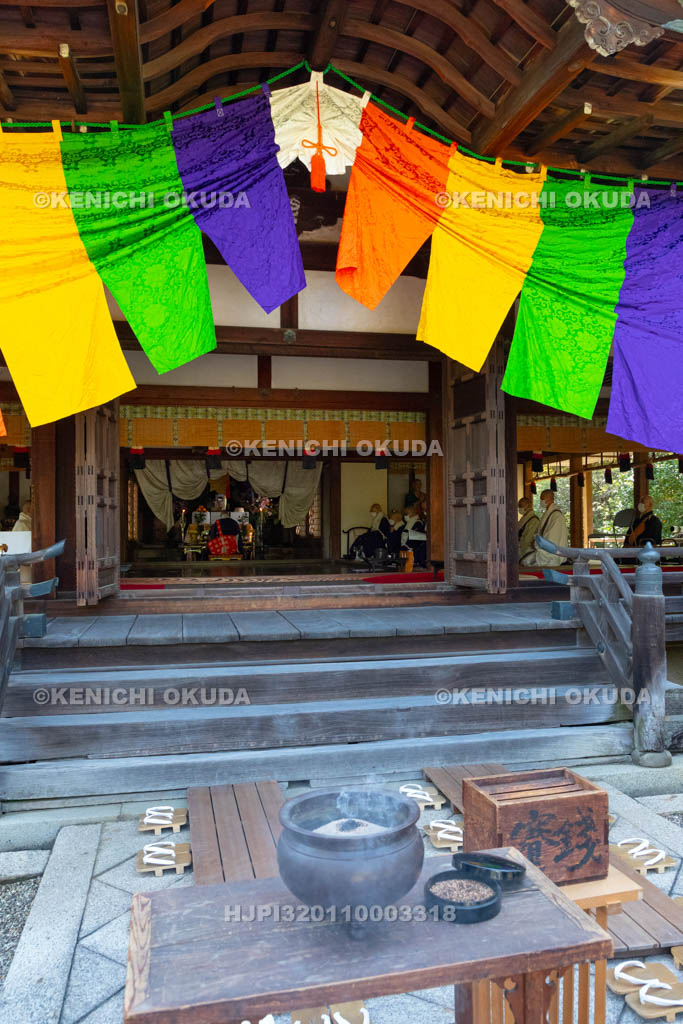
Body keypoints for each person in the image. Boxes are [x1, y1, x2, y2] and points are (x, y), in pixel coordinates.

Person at [520, 490, 568, 567]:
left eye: (541, 499)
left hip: (551, 555)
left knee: (527, 561)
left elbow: (552, 539)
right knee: (525, 561)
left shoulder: (556, 516)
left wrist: (536, 544)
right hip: (542, 550)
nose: (540, 501)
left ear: (547, 499)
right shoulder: (548, 514)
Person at [401, 503, 427, 568]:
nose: (405, 516)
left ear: (412, 513)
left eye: (406, 514)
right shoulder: (409, 523)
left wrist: (408, 546)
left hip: (413, 549)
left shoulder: (418, 522)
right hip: (406, 547)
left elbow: (417, 536)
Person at [517, 496, 539, 563]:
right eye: (519, 506)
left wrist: (518, 554)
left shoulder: (534, 520)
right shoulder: (524, 518)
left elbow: (527, 540)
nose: (519, 508)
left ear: (527, 505)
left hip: (526, 552)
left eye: (521, 506)